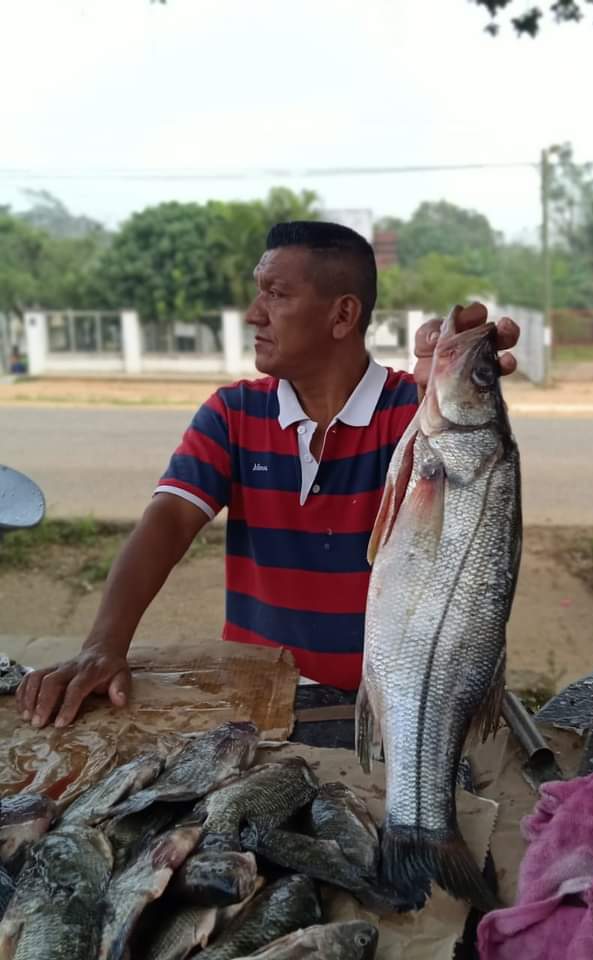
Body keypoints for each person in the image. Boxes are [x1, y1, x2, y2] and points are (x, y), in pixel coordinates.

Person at [16, 221, 519, 729]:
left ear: (343, 314)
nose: (254, 315)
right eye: (259, 293)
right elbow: (167, 521)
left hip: (378, 708)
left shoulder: (410, 419)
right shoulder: (232, 413)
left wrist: (451, 374)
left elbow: (464, 493)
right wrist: (103, 646)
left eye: (276, 294)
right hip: (252, 701)